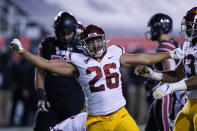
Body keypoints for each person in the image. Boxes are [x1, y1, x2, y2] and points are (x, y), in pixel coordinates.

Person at [9, 24, 183, 131]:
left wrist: (169, 55)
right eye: (90, 42)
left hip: (121, 115)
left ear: (104, 40)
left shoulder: (115, 53)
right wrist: (22, 52)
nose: (95, 44)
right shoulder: (77, 62)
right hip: (97, 120)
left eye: (97, 40)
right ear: (83, 44)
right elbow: (45, 64)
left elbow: (144, 58)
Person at [135, 7, 197, 131]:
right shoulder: (187, 44)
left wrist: (170, 87)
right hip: (189, 101)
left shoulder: (165, 45)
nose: (187, 29)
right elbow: (177, 74)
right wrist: (153, 74)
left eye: (190, 26)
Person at [34, 11, 85, 131]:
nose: (67, 37)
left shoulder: (82, 46)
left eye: (69, 33)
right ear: (57, 31)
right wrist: (41, 95)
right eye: (63, 33)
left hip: (74, 99)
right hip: (52, 99)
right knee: (41, 127)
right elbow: (40, 71)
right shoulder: (47, 44)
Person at [143, 13, 186, 131]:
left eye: (152, 27)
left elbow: (172, 72)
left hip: (166, 95)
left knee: (164, 128)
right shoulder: (174, 43)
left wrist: (154, 83)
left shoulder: (164, 46)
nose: (151, 31)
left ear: (159, 28)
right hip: (173, 93)